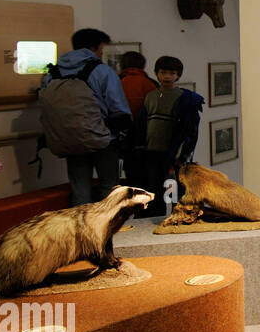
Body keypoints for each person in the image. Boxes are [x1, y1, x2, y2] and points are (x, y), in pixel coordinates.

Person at [40, 29, 132, 205]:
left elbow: (45, 110)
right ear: (92, 48)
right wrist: (122, 133)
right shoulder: (102, 72)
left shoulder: (52, 74)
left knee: (80, 188)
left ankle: (82, 229)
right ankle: (107, 228)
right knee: (109, 187)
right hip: (103, 139)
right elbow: (118, 108)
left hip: (70, 140)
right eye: (100, 49)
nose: (101, 53)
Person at [131, 56, 204, 218]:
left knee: (176, 190)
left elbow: (188, 131)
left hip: (173, 155)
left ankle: (179, 218)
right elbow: (142, 125)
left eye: (172, 73)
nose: (167, 77)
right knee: (154, 189)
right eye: (163, 72)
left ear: (178, 76)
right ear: (157, 74)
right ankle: (154, 219)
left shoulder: (184, 99)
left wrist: (180, 155)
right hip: (151, 152)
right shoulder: (150, 97)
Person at [118, 51, 158, 117]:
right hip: (146, 124)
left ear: (122, 64)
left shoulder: (114, 82)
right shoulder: (151, 83)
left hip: (121, 123)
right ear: (142, 64)